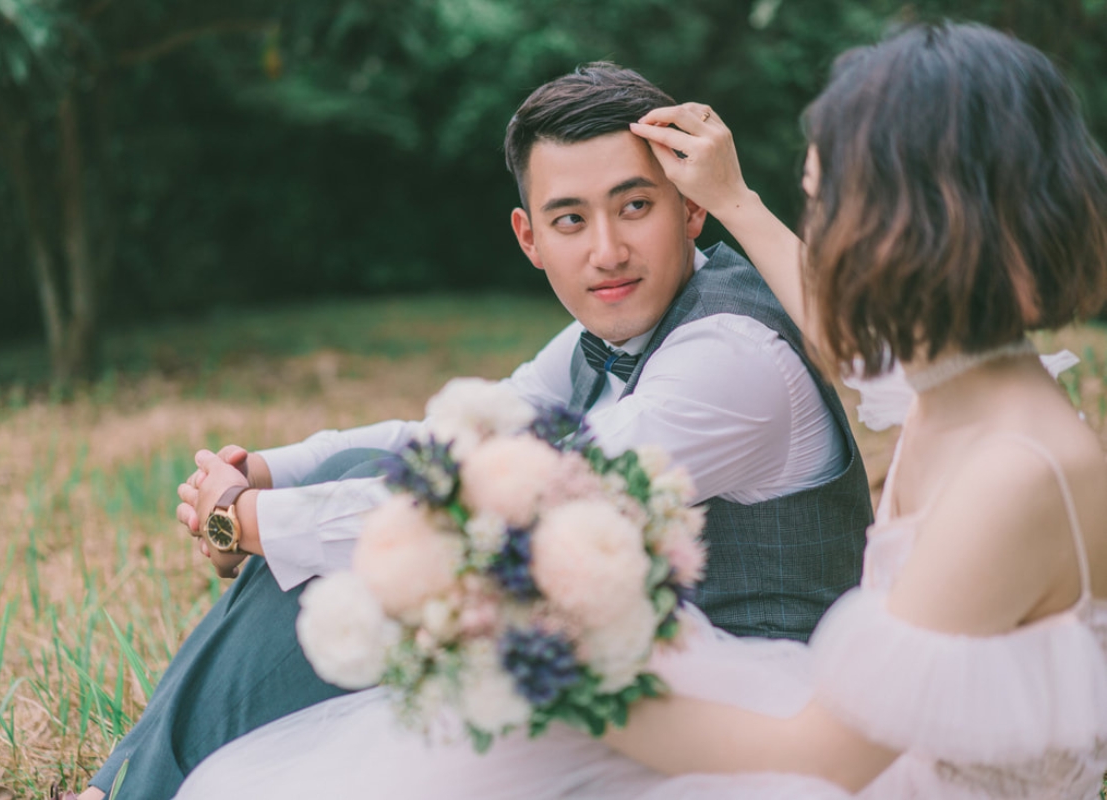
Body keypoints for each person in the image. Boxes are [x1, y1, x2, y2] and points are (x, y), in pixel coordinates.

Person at [171, 21, 1107, 799]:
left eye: (826, 209)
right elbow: (848, 338)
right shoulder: (966, 383)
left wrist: (560, 679)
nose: (817, 240)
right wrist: (734, 199)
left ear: (915, 229)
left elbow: (828, 758)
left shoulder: (1015, 476)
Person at [74, 63, 870, 799]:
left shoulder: (732, 355)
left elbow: (525, 514)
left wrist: (254, 522)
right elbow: (454, 434)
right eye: (570, 219)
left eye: (635, 206)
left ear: (690, 208)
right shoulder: (617, 329)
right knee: (361, 477)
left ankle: (130, 788)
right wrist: (271, 473)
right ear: (530, 238)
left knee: (368, 552)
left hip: (733, 694)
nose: (607, 250)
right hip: (630, 651)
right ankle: (133, 785)